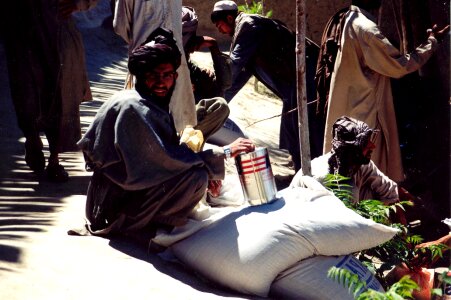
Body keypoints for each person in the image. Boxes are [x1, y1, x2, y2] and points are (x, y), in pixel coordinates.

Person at [77, 28, 255, 243]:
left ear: (175, 76)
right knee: (195, 179)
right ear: (140, 76)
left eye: (166, 75)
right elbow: (166, 159)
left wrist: (205, 167)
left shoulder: (150, 102)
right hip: (110, 209)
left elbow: (167, 154)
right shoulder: (134, 107)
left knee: (200, 168)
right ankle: (140, 228)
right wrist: (223, 154)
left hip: (123, 193)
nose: (161, 82)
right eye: (153, 76)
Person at [322, 0, 450, 183]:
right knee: (367, 173)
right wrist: (431, 43)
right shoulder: (367, 30)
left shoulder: (348, 19)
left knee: (349, 173)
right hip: (365, 113)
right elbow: (398, 67)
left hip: (351, 109)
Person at [210, 0, 322, 171]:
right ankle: (301, 168)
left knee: (304, 126)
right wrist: (218, 103)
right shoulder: (244, 30)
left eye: (220, 25)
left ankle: (310, 170)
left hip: (304, 78)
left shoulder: (249, 26)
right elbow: (239, 77)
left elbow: (234, 66)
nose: (219, 30)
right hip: (292, 83)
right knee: (292, 127)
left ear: (229, 18)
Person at [2, 0, 97, 182]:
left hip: (56, 27)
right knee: (27, 87)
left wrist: (79, 4)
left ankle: (54, 158)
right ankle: (32, 138)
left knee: (60, 89)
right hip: (21, 26)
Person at [113, 0, 196, 133]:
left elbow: (120, 26)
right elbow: (120, 26)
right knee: (145, 120)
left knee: (169, 122)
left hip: (164, 63)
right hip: (151, 62)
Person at [290, 116, 400, 205]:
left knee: (372, 192)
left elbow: (390, 191)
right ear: (352, 150)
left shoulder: (359, 163)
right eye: (365, 143)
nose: (372, 146)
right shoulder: (323, 178)